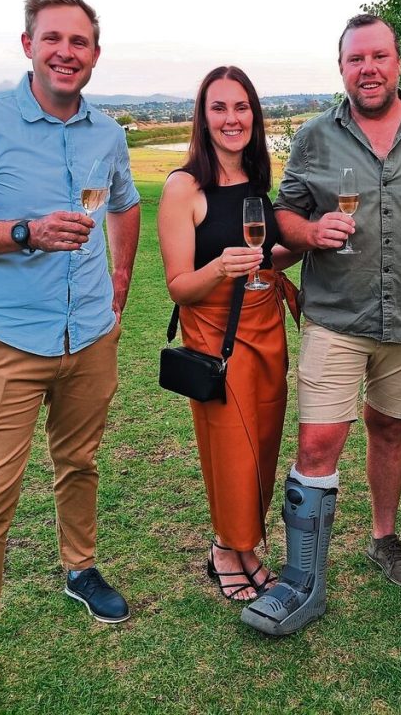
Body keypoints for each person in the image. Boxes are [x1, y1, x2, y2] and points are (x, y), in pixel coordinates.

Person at [0, 0, 140, 715]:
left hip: (90, 337)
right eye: (53, 39)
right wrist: (24, 233)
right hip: (7, 342)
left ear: (96, 55)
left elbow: (126, 203)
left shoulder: (107, 134)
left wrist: (121, 284)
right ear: (28, 45)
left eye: (80, 42)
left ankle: (79, 568)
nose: (66, 52)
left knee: (79, 463)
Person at [241, 13, 401, 636]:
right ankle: (300, 580)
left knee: (388, 430)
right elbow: (283, 212)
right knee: (318, 443)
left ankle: (385, 538)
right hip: (335, 317)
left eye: (378, 57)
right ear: (340, 67)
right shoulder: (316, 137)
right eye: (355, 60)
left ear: (397, 62)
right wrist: (311, 232)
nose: (367, 69)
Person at [157, 65, 300, 603]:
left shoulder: (258, 180)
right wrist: (219, 267)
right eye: (219, 108)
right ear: (203, 116)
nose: (231, 118)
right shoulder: (184, 187)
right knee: (232, 448)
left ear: (254, 116)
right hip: (217, 334)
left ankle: (247, 547)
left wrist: (308, 243)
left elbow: (263, 257)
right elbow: (179, 286)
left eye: (241, 107)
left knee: (263, 444)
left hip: (266, 329)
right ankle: (225, 549)